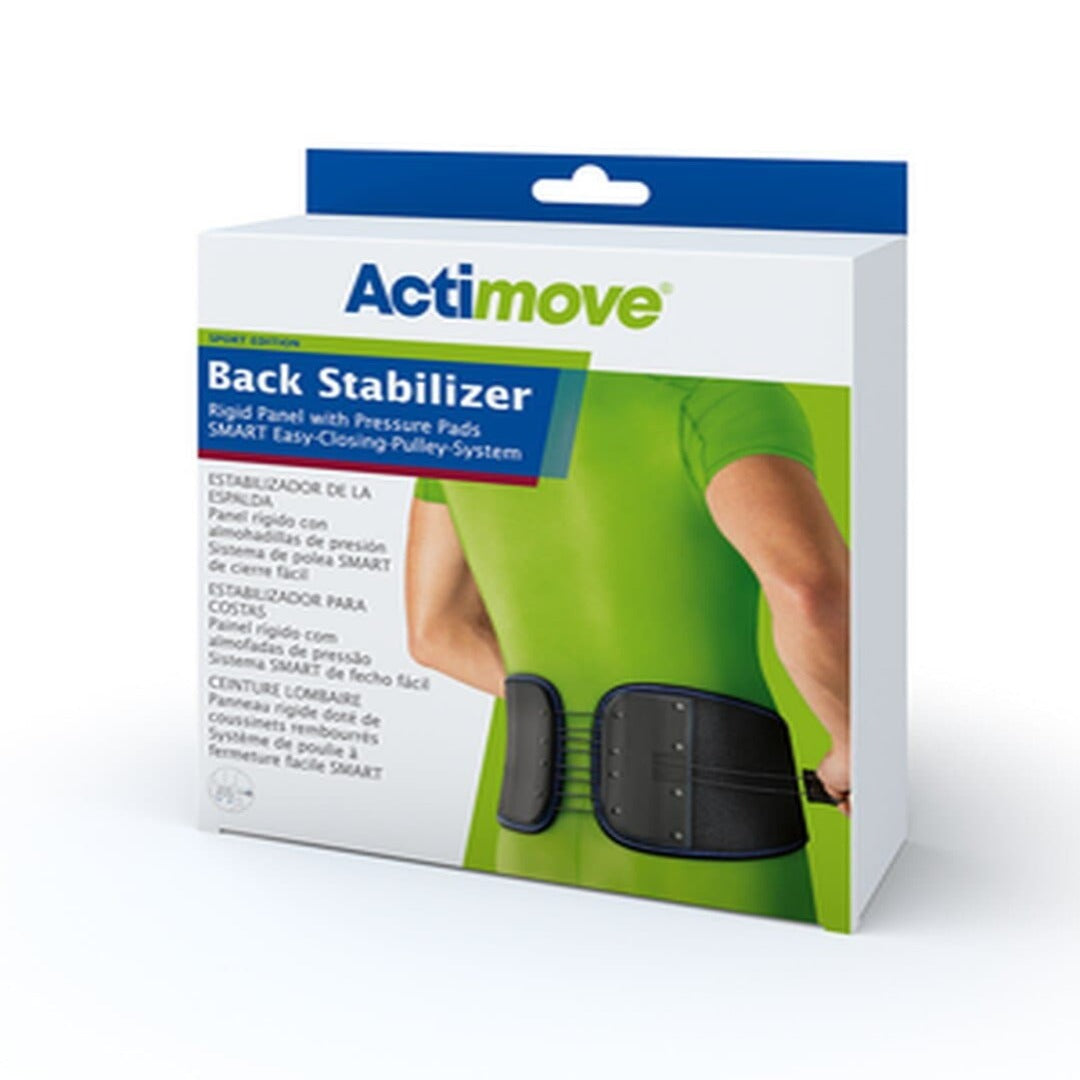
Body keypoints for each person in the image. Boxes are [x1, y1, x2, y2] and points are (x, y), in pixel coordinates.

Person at [404, 373, 848, 921]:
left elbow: (437, 633)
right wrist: (853, 745)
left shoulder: (472, 406)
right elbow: (809, 593)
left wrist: (578, 725)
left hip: (531, 848)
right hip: (715, 848)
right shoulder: (721, 398)